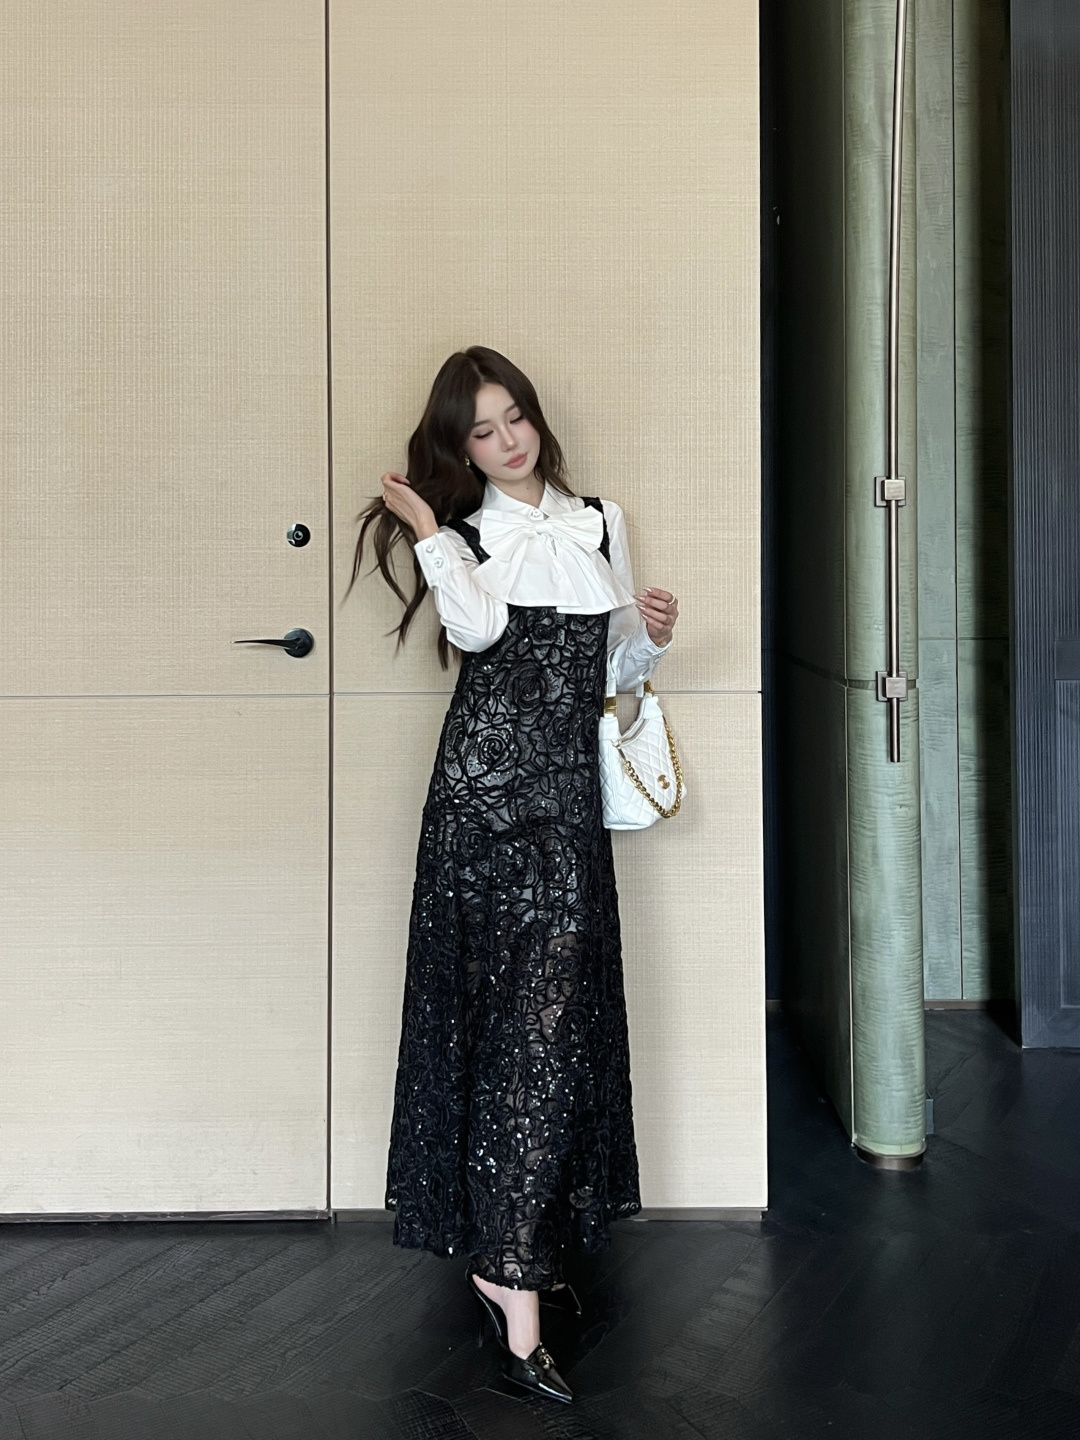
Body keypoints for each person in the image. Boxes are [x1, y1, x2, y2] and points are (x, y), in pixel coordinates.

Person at [347, 346, 679, 1403]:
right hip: (480, 807)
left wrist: (650, 637)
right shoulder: (465, 538)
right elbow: (479, 630)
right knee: (504, 1028)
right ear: (462, 449)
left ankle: (515, 1249)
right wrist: (429, 531)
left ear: (536, 416)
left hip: (565, 808)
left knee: (553, 1029)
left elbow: (610, 671)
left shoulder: (601, 521)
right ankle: (512, 1275)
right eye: (481, 432)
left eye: (515, 418)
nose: (507, 441)